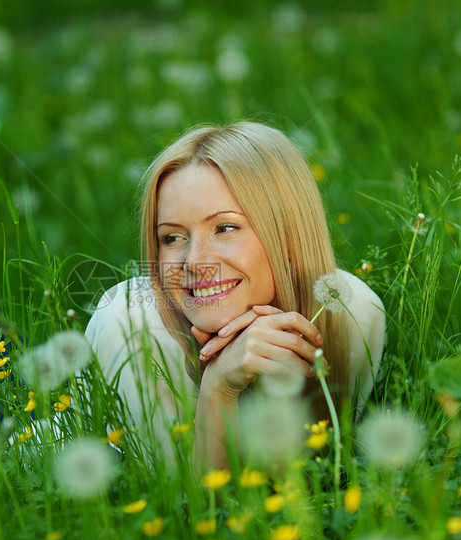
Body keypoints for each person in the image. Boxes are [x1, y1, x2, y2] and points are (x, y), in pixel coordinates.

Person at [84, 121, 386, 471]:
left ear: (288, 234)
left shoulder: (353, 315)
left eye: (225, 228)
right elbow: (190, 515)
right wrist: (218, 388)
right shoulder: (129, 327)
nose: (194, 262)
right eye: (172, 238)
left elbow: (314, 482)